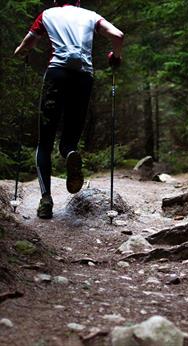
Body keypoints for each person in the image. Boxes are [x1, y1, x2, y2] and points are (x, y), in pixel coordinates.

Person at [14, 0, 124, 219]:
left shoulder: (47, 14)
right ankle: (70, 153)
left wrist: (20, 52)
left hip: (57, 74)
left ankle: (46, 201)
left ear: (56, 0)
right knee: (69, 140)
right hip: (83, 76)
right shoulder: (91, 15)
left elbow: (28, 44)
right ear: (78, 1)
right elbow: (118, 35)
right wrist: (116, 57)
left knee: (44, 142)